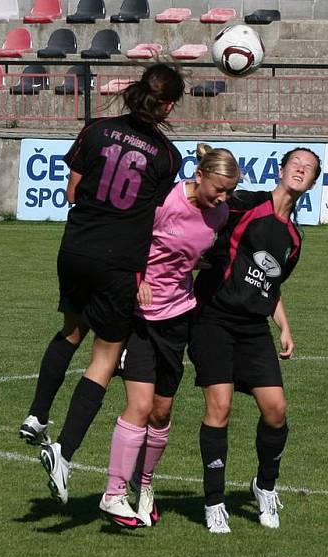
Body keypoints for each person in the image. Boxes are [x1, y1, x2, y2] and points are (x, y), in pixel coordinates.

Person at [21, 63, 185, 505]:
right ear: (168, 104)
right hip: (117, 263)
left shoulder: (95, 129)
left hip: (74, 249)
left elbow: (72, 192)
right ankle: (64, 450)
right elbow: (155, 219)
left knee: (71, 331)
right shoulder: (168, 156)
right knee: (106, 358)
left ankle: (37, 416)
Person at [99, 144, 242, 528]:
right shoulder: (165, 200)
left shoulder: (221, 213)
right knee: (141, 406)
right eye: (219, 189)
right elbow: (129, 239)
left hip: (179, 316)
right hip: (142, 317)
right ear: (200, 176)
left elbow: (200, 258)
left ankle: (144, 486)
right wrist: (138, 279)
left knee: (162, 412)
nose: (223, 197)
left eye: (229, 191)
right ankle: (114, 493)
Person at [188, 147, 321, 533]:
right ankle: (214, 503)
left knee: (276, 410)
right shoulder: (246, 204)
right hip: (212, 318)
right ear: (281, 170)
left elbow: (271, 285)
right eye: (295, 163)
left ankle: (264, 487)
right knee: (220, 407)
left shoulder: (294, 239)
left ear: (312, 183)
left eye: (308, 169)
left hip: (252, 328)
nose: (300, 170)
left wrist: (284, 326)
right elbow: (208, 201)